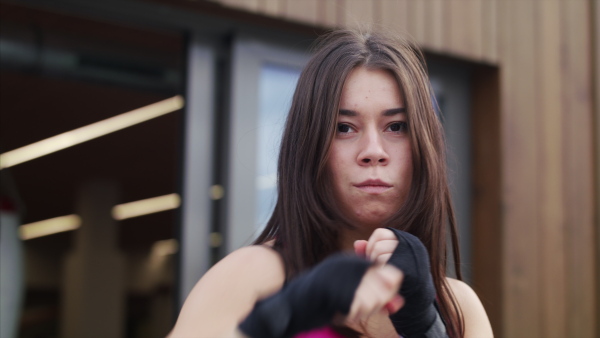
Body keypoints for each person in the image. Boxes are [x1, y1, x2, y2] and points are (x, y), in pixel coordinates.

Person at [168, 29, 493, 338]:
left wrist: (426, 327)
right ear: (310, 147)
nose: (373, 152)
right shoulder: (251, 275)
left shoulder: (458, 306)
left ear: (424, 145)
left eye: (396, 126)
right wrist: (277, 316)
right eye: (344, 127)